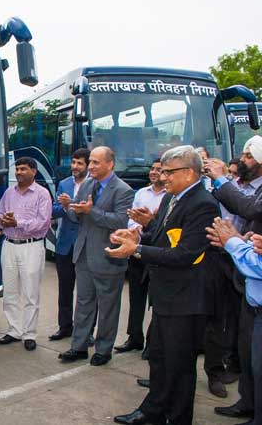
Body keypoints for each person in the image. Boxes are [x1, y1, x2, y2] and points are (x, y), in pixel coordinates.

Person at [107, 145, 219, 425]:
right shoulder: (173, 198)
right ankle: (153, 411)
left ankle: (177, 418)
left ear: (189, 173)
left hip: (186, 298)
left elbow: (185, 254)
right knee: (158, 357)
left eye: (169, 172)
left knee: (179, 365)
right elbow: (161, 238)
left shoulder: (203, 204)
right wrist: (134, 236)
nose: (162, 177)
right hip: (166, 295)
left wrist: (136, 250)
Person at [203, 135, 262, 421]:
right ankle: (247, 402)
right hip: (246, 277)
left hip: (249, 268)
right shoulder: (237, 185)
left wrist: (221, 180)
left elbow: (249, 209)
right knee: (247, 346)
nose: (242, 160)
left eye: (249, 156)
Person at [59, 146, 134, 366]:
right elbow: (75, 215)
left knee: (108, 307)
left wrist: (90, 211)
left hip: (108, 257)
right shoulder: (87, 185)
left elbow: (120, 221)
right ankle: (79, 347)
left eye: (95, 162)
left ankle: (103, 349)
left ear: (110, 164)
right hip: (83, 255)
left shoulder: (123, 190)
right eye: (90, 161)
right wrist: (71, 208)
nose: (90, 166)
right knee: (83, 303)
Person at [207, 218, 262, 425]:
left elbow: (258, 266)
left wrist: (233, 243)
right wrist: (239, 242)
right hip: (254, 307)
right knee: (252, 364)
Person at [0, 157, 52, 351]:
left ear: (33, 171)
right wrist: (3, 220)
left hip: (31, 247)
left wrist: (17, 222)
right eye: (17, 169)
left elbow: (43, 223)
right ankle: (14, 330)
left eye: (23, 169)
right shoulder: (9, 193)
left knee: (30, 293)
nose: (19, 172)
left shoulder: (42, 194)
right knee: (10, 292)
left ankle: (29, 334)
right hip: (9, 245)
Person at [114, 159, 165, 355]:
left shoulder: (170, 196)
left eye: (159, 169)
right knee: (136, 297)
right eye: (152, 169)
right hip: (137, 248)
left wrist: (149, 223)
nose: (154, 172)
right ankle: (134, 338)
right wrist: (136, 229)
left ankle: (153, 343)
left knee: (157, 301)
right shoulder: (141, 193)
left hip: (157, 252)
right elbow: (131, 217)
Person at [49, 148, 90, 341]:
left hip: (86, 245)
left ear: (88, 165)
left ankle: (86, 331)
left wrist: (70, 203)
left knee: (86, 293)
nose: (75, 166)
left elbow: (91, 211)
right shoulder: (64, 183)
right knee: (65, 289)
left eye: (79, 163)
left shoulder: (94, 184)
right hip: (65, 245)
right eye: (73, 162)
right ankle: (64, 327)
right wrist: (65, 207)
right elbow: (54, 209)